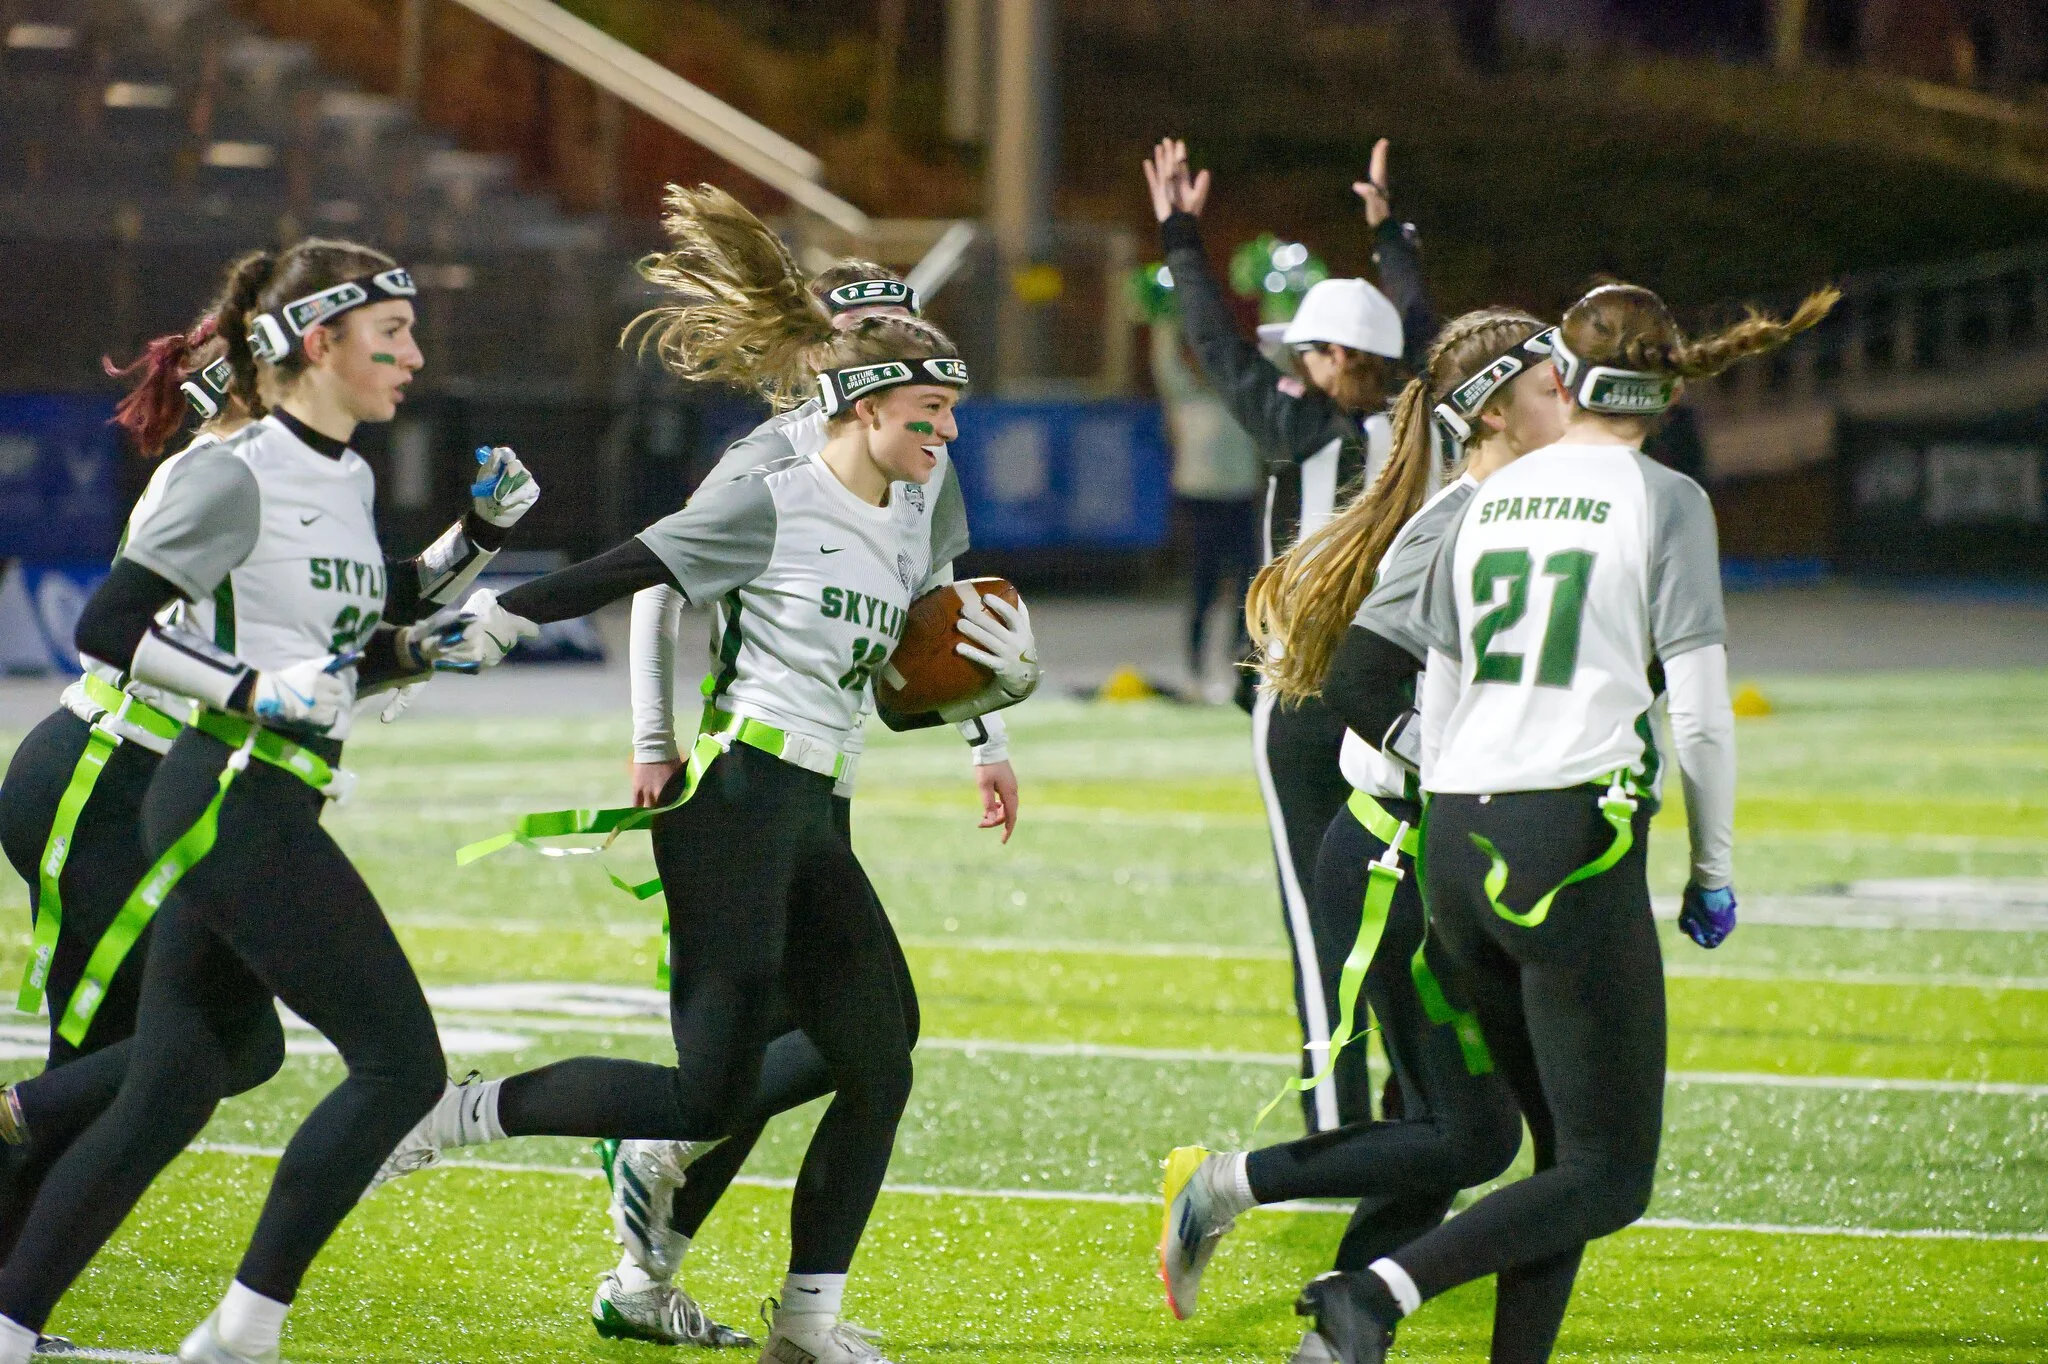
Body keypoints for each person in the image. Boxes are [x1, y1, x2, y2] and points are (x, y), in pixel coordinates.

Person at [377, 185, 1040, 1364]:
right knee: (706, 1098)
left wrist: (986, 710)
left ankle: (806, 1325)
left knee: (877, 1054)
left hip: (817, 807)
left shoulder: (906, 500)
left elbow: (909, 660)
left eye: (949, 414)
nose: (945, 439)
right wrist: (504, 619)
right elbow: (629, 569)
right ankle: (465, 1106)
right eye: (927, 411)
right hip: (737, 802)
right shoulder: (769, 489)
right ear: (854, 391)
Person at [0, 236, 538, 1364]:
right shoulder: (230, 465)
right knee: (339, 1061)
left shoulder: (336, 473)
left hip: (227, 777)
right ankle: (223, 1328)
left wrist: (450, 598)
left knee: (188, 1068)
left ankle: (13, 1313)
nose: (415, 356)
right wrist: (255, 684)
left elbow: (342, 635)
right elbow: (121, 628)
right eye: (391, 334)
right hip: (136, 770)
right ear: (310, 342)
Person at [1297, 280, 1838, 1364]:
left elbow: (1439, 693)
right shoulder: (1660, 496)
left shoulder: (1476, 501)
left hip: (1453, 838)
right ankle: (1377, 1289)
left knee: (1558, 1162)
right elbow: (1695, 710)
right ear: (1666, 381)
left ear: (1571, 377)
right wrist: (1712, 868)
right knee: (1606, 1172)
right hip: (1564, 838)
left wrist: (1455, 817)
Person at [593, 257, 1018, 1348]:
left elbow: (936, 605)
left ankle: (653, 1258)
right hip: (752, 773)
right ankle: (686, 1226)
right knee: (833, 1036)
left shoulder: (916, 451)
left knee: (809, 1038)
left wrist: (988, 731)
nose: (893, 337)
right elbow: (654, 581)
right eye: (870, 324)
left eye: (902, 320)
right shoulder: (773, 457)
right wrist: (652, 738)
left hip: (826, 778)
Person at [1159, 310, 1573, 1362]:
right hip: (1397, 858)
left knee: (1451, 1122)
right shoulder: (1454, 518)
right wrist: (1458, 765)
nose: (1573, 404)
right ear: (1491, 410)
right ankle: (1225, 1190)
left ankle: (1347, 1319)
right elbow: (1352, 679)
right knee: (1476, 1129)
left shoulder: (1533, 503)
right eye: (1553, 386)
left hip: (1450, 860)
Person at [1143, 135, 1436, 1133]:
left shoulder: (1299, 429)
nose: (1296, 365)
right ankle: (1424, 1094)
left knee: (1317, 925)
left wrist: (1180, 233)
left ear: (1337, 356)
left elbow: (1213, 346)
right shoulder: (1424, 426)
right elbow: (1428, 332)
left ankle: (1333, 1123)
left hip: (1305, 701)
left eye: (1308, 350)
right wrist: (1391, 235)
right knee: (1411, 915)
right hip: (1406, 706)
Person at [1149, 314, 1262, 695]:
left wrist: (1277, 306)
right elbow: (1164, 361)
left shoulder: (1243, 398)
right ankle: (1195, 665)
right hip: (1199, 502)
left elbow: (1276, 360)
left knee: (1249, 586)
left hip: (1240, 500)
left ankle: (1238, 660)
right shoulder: (1185, 394)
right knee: (1203, 585)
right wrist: (1161, 312)